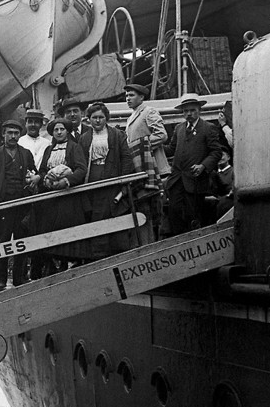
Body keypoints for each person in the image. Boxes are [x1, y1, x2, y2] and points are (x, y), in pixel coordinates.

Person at [0, 120, 41, 290]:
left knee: (21, 241)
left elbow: (33, 173)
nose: (13, 136)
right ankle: (0, 279)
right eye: (10, 133)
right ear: (3, 134)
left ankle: (19, 277)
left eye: (16, 133)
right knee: (2, 242)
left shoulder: (26, 153)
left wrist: (32, 184)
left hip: (22, 204)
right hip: (3, 205)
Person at [77, 102, 139, 257]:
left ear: (106, 118)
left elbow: (126, 157)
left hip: (112, 178)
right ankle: (97, 253)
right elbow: (80, 162)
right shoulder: (84, 138)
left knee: (113, 211)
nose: (97, 121)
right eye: (94, 118)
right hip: (91, 180)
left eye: (101, 117)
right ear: (89, 119)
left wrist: (123, 180)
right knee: (94, 214)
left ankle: (116, 251)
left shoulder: (117, 135)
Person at [32, 118, 89, 276]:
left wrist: (66, 181)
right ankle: (54, 264)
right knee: (50, 228)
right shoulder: (49, 150)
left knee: (66, 228)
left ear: (67, 131)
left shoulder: (74, 147)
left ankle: (69, 262)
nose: (59, 132)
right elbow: (43, 170)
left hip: (68, 198)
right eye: (56, 130)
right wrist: (46, 180)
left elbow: (81, 169)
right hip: (51, 198)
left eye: (62, 129)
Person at [164, 94, 223, 234]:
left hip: (195, 181)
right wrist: (155, 145)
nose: (189, 113)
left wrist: (203, 166)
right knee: (174, 212)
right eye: (185, 111)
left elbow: (216, 152)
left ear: (199, 110)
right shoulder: (179, 128)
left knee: (193, 215)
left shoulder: (209, 128)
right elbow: (171, 149)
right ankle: (176, 242)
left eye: (192, 110)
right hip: (176, 180)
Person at [123, 83, 169, 179]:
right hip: (141, 166)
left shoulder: (149, 111)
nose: (128, 98)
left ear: (141, 97)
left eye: (131, 95)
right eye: (126, 95)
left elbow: (161, 135)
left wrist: (139, 146)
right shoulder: (130, 118)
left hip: (155, 165)